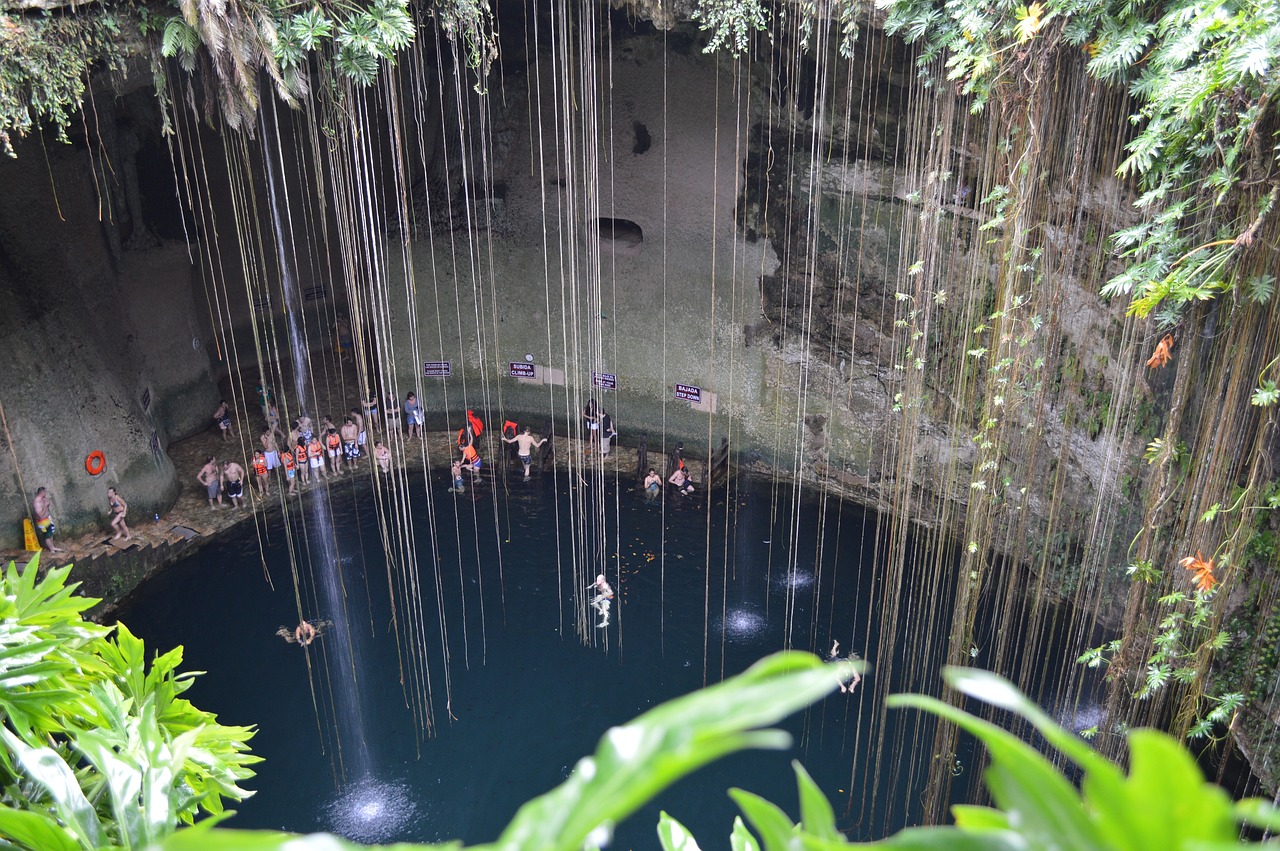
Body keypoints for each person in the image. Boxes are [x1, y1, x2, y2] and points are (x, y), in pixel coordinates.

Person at [32, 487, 63, 553]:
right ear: (42, 492)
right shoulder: (37, 502)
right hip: (42, 522)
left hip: (47, 519)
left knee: (50, 533)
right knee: (47, 535)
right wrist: (45, 506)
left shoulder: (43, 498)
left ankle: (52, 547)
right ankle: (51, 550)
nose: (46, 493)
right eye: (45, 492)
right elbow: (40, 515)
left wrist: (47, 504)